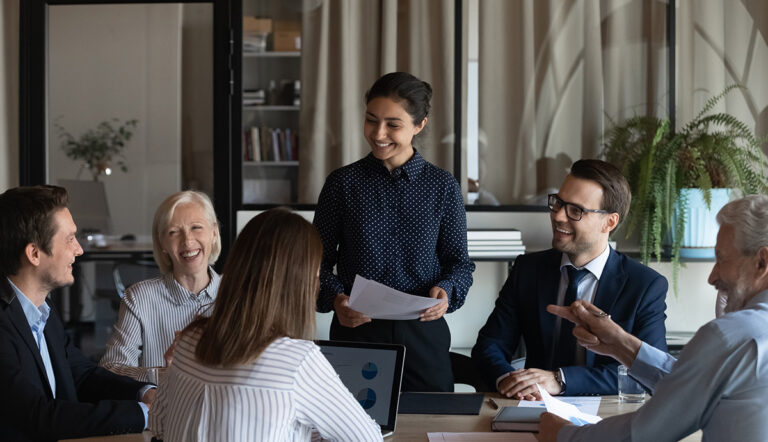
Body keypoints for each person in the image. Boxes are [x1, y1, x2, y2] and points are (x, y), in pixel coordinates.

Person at [540, 194, 768, 441]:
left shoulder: (731, 336)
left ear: (762, 262)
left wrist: (564, 435)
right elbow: (690, 387)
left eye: (721, 259)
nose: (712, 277)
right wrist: (621, 344)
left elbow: (644, 433)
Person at [149, 208, 382, 441]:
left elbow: (157, 424)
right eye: (317, 275)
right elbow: (367, 439)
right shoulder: (297, 361)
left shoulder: (188, 340)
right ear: (303, 283)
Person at [313, 72, 475, 392]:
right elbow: (315, 262)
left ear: (419, 125)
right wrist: (337, 299)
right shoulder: (342, 184)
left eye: (393, 124)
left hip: (422, 333)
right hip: (355, 331)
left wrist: (446, 291)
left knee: (432, 418)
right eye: (371, 121)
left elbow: (459, 264)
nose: (379, 133)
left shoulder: (442, 186)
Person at [472, 159, 668, 397]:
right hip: (534, 406)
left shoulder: (645, 285)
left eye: (575, 210)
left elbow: (649, 373)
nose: (558, 216)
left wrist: (561, 380)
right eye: (558, 203)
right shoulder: (528, 270)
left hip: (607, 413)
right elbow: (489, 346)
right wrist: (509, 380)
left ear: (609, 222)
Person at [0, 185, 153, 440]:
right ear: (34, 253)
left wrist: (144, 393)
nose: (79, 249)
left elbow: (81, 375)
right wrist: (146, 414)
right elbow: (39, 415)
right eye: (70, 238)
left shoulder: (43, 311)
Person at [100, 190, 221, 381]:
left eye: (196, 227)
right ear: (162, 243)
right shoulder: (139, 298)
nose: (187, 240)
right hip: (161, 400)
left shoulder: (240, 295)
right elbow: (112, 369)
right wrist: (163, 373)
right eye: (174, 232)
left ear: (214, 233)